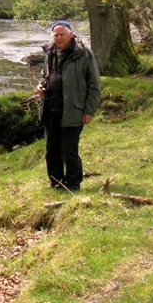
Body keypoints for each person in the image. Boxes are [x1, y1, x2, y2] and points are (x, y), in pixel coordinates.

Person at [35, 20, 101, 191]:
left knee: (69, 150)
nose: (59, 38)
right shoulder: (49, 52)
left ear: (70, 34)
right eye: (56, 35)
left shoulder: (84, 54)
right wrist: (42, 86)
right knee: (52, 149)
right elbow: (45, 75)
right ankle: (55, 182)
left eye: (62, 35)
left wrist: (89, 111)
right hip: (51, 109)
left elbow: (94, 85)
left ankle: (73, 184)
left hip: (73, 110)